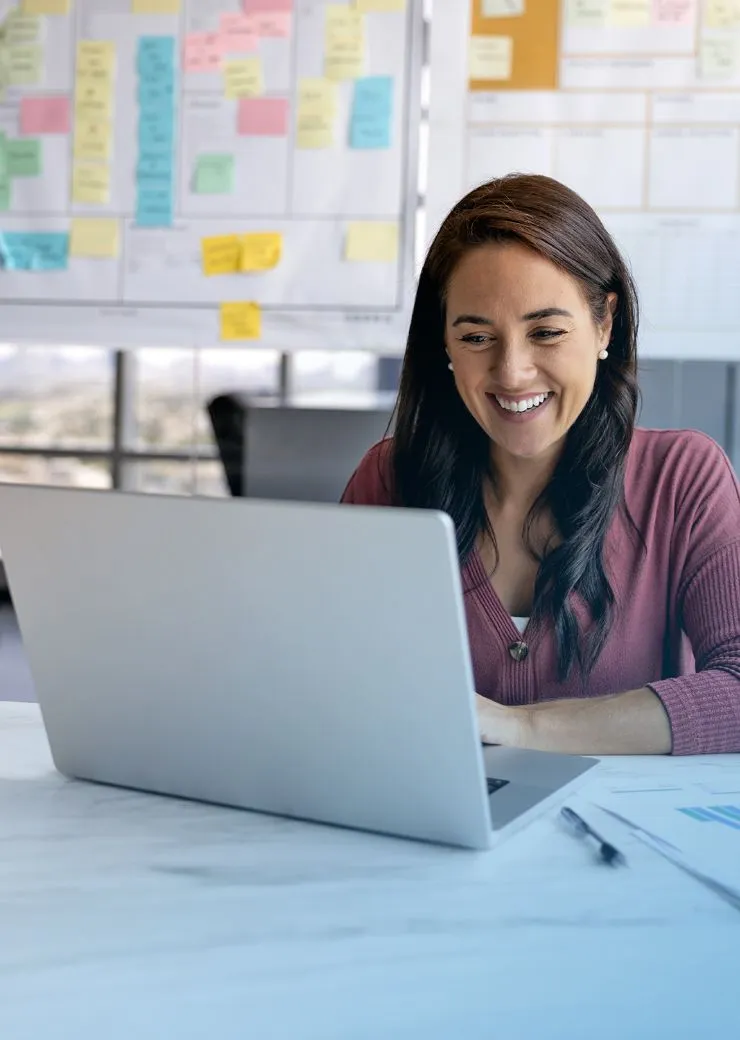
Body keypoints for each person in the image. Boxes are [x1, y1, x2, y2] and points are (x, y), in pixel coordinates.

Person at [341, 174, 740, 756]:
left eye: (547, 332)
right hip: (440, 834)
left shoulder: (682, 479)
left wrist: (524, 728)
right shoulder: (389, 479)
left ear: (604, 323)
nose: (512, 372)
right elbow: (336, 684)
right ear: (445, 345)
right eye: (477, 338)